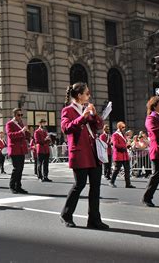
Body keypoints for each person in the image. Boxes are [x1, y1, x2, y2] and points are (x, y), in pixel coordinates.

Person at [60, 82, 109, 230]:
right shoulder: (67, 110)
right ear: (79, 95)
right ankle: (66, 215)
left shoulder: (87, 108)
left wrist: (94, 115)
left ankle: (94, 219)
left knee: (96, 187)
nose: (89, 95)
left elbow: (99, 126)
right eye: (87, 93)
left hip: (93, 153)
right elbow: (66, 128)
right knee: (79, 185)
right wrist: (83, 117)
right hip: (80, 153)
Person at [6, 108, 31, 194]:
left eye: (21, 115)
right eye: (19, 115)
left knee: (21, 169)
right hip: (14, 149)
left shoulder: (21, 123)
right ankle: (12, 186)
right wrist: (21, 131)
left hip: (21, 149)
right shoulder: (9, 124)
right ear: (15, 115)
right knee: (16, 168)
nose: (20, 117)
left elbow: (26, 136)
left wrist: (27, 132)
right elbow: (10, 135)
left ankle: (18, 186)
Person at [109, 122, 135, 188]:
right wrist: (125, 145)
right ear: (119, 127)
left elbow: (125, 144)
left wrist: (128, 145)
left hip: (125, 155)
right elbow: (115, 145)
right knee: (117, 169)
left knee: (127, 170)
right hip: (118, 155)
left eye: (124, 127)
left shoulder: (123, 135)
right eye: (123, 127)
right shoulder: (115, 135)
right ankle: (111, 182)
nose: (124, 128)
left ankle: (128, 184)